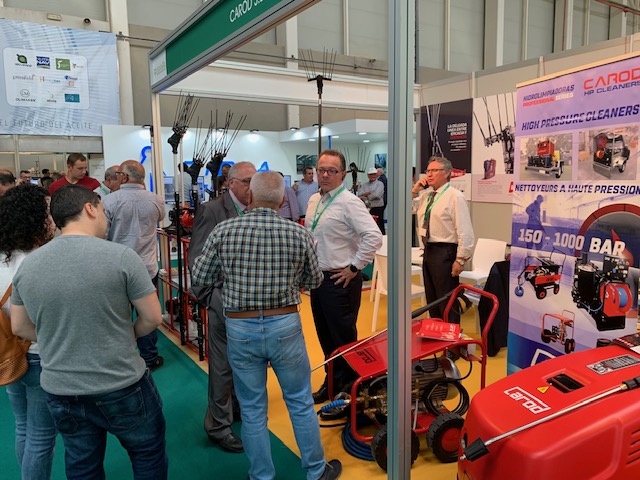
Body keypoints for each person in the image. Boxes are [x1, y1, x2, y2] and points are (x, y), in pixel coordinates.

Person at [10, 185, 168, 480]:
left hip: (62, 387)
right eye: (104, 210)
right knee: (147, 453)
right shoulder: (122, 256)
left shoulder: (29, 265)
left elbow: (19, 326)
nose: (107, 219)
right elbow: (153, 318)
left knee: (82, 464)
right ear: (90, 208)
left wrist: (58, 337)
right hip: (120, 380)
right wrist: (128, 335)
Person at [192, 171, 342, 480]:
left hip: (240, 327)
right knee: (299, 402)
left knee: (252, 409)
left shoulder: (224, 231)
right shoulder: (299, 234)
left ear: (249, 196)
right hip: (284, 324)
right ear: (283, 199)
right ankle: (316, 471)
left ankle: (261, 475)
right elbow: (314, 279)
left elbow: (201, 277)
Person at [188, 161, 257, 453]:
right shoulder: (212, 211)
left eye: (256, 181)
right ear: (231, 183)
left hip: (250, 304)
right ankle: (218, 426)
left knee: (247, 362)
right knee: (222, 366)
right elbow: (196, 260)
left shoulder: (255, 209)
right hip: (223, 302)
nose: (253, 187)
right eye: (248, 181)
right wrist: (211, 298)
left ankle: (237, 409)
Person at [306, 149, 382, 404]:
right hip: (318, 279)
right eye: (321, 170)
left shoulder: (350, 202)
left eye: (332, 171)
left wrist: (354, 267)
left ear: (343, 174)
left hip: (340, 280)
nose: (325, 175)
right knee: (325, 336)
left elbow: (373, 236)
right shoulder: (314, 200)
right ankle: (331, 383)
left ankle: (349, 390)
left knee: (344, 339)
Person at [0, 184, 57, 479]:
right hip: (37, 354)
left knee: (23, 427)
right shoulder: (39, 263)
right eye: (47, 212)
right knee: (41, 436)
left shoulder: (3, 259)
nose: (52, 218)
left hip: (9, 353)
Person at [103, 160, 166, 371]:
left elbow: (103, 232)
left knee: (119, 315)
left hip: (117, 268)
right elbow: (161, 218)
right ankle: (149, 357)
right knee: (147, 313)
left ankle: (122, 358)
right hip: (147, 267)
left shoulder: (110, 201)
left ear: (124, 177)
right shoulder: (156, 199)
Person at [412, 156, 474, 324]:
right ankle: (436, 332)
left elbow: (465, 230)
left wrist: (461, 259)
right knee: (432, 298)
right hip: (429, 251)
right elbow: (406, 208)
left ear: (447, 173)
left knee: (447, 300)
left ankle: (450, 336)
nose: (429, 174)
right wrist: (414, 190)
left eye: (434, 170)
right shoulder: (426, 196)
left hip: (445, 252)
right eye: (428, 171)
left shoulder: (455, 196)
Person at [357, 167, 386, 234]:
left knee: (379, 226)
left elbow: (376, 195)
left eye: (374, 174)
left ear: (376, 175)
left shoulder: (380, 184)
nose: (372, 176)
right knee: (369, 226)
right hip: (368, 208)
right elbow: (359, 194)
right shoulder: (365, 185)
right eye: (370, 174)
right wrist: (368, 193)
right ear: (368, 176)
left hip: (378, 208)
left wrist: (365, 195)